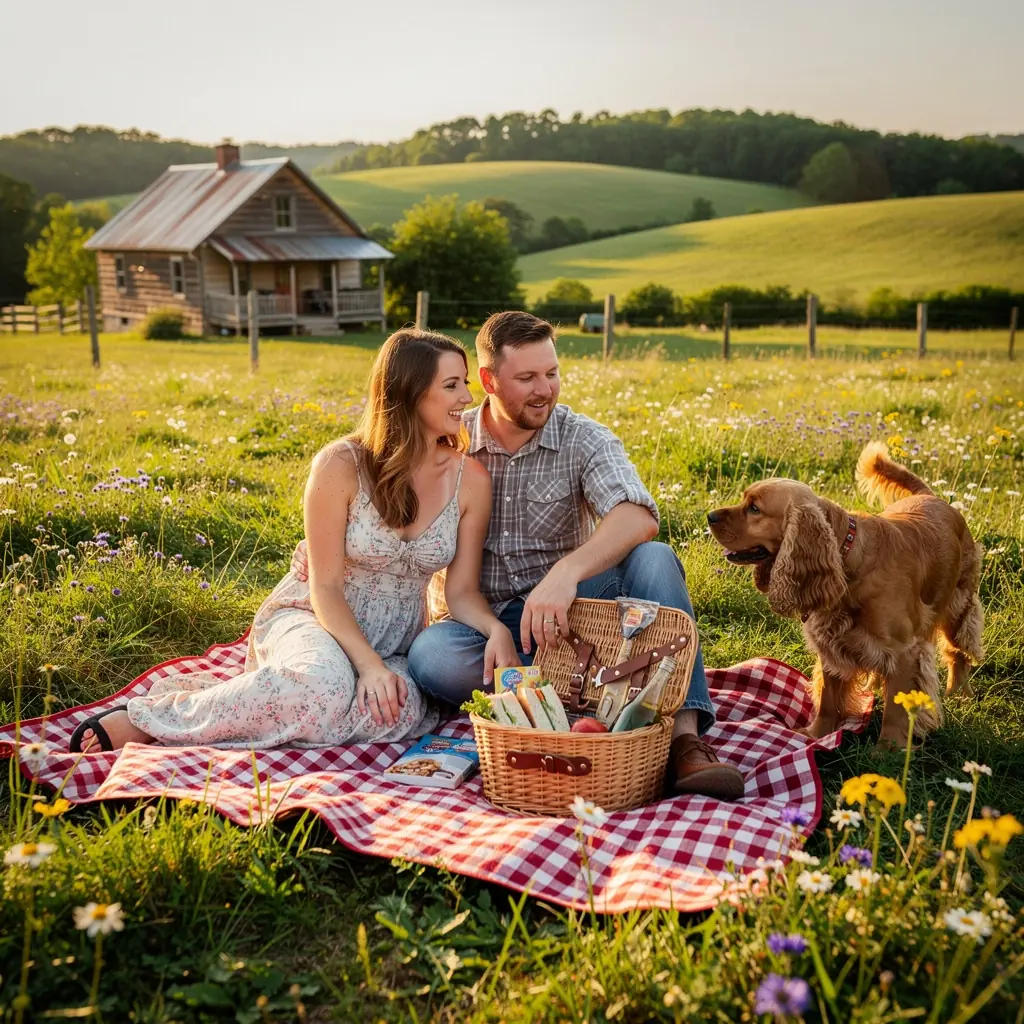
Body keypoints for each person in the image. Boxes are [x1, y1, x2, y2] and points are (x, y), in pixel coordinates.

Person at [69, 329, 518, 753]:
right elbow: (324, 587)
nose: (467, 398)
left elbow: (460, 593)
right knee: (323, 690)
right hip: (314, 618)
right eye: (453, 385)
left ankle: (250, 699)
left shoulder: (470, 479)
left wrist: (494, 628)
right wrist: (366, 665)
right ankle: (151, 719)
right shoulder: (340, 464)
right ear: (409, 392)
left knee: (397, 711)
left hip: (395, 639)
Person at [408, 311, 744, 800]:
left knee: (653, 558)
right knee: (430, 655)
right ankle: (573, 705)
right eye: (526, 378)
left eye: (552, 373)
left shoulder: (582, 437)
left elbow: (637, 514)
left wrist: (566, 572)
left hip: (577, 613)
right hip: (486, 624)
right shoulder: (452, 439)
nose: (545, 389)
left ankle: (684, 741)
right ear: (488, 379)